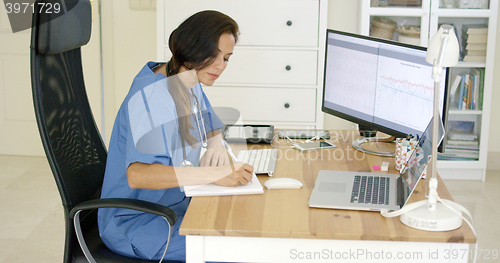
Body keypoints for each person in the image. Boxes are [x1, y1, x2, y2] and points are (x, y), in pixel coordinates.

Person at [98, 10, 253, 262]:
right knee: (242, 248)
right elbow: (138, 175)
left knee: (246, 221)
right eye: (214, 55)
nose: (220, 66)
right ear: (191, 48)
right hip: (138, 223)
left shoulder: (183, 78)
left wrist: (215, 144)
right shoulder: (153, 96)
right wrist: (215, 174)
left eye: (226, 58)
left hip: (174, 206)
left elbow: (209, 121)